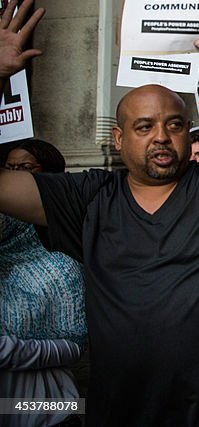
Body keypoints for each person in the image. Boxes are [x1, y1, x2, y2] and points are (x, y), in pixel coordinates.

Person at [0, 0, 199, 425]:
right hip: (122, 409)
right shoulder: (89, 197)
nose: (161, 137)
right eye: (144, 126)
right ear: (118, 139)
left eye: (174, 124)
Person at [1, 139, 87, 427]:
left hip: (45, 408)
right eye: (8, 168)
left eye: (24, 168)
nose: (14, 175)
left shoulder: (61, 258)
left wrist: (10, 350)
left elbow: (76, 345)